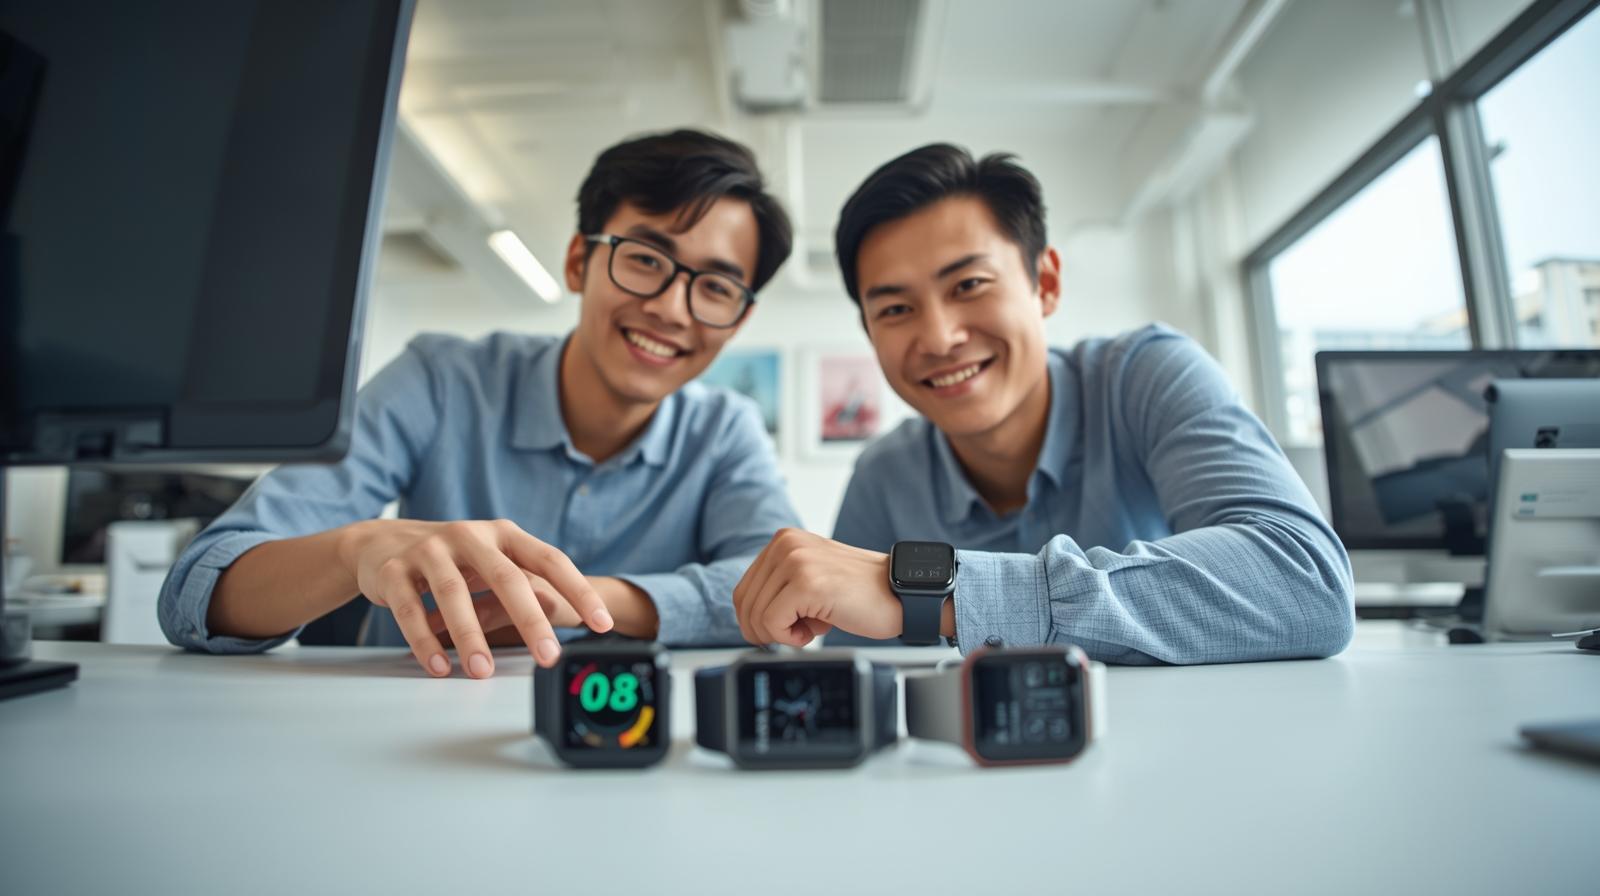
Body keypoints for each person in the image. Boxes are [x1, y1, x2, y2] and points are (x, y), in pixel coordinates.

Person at [159, 129, 799, 678]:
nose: (669, 307)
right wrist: (353, 551)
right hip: (411, 731)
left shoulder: (725, 430)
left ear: (738, 319)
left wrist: (578, 601)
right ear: (579, 261)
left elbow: (781, 592)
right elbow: (196, 589)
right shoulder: (441, 381)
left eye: (714, 287)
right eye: (645, 258)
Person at [731, 144, 1354, 664]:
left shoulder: (1148, 375)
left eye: (969, 285)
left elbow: (1306, 582)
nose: (940, 338)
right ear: (870, 333)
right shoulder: (884, 475)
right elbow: (857, 675)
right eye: (895, 309)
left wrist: (934, 595)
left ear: (1045, 283)